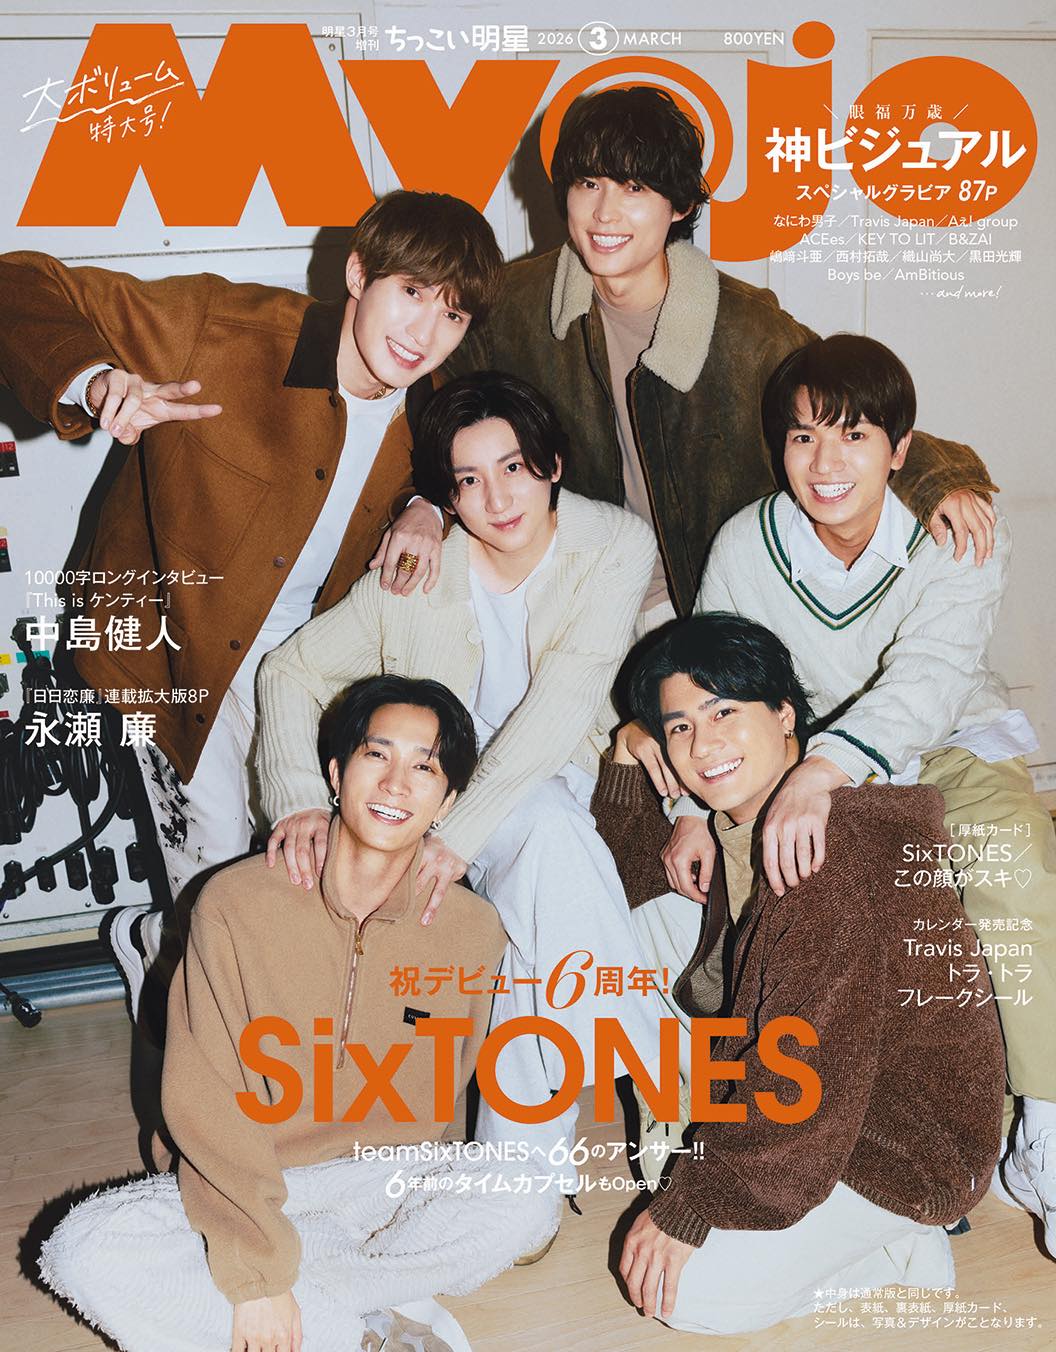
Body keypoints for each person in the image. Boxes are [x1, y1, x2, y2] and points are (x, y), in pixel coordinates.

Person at [0, 191, 504, 1019]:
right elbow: (17, 281)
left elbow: (480, 472)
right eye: (411, 292)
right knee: (217, 877)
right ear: (357, 273)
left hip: (301, 672)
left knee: (308, 865)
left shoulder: (434, 405)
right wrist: (97, 383)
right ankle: (198, 1024)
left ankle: (162, 947)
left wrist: (429, 505)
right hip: (173, 658)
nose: (424, 332)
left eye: (451, 314)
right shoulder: (221, 328)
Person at [638, 334, 1054, 1256]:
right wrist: (692, 810)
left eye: (854, 436)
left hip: (947, 734)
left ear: (901, 450)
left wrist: (824, 771)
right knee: (781, 902)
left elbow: (931, 675)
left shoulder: (960, 529)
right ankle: (804, 1131)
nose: (825, 464)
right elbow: (716, 685)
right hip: (803, 751)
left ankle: (1046, 1136)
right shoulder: (748, 543)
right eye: (803, 437)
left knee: (1014, 865)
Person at [39, 676, 557, 1352]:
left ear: (447, 801)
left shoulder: (472, 929)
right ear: (336, 775)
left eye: (424, 768)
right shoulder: (235, 902)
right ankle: (354, 1322)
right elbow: (206, 1095)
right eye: (377, 755)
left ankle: (315, 1310)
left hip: (375, 1182)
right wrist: (256, 1264)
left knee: (527, 1194)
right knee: (81, 1249)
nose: (396, 784)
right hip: (249, 1180)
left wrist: (268, 1278)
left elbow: (440, 1090)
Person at [255, 371, 664, 1184]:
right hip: (433, 802)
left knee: (540, 861)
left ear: (552, 464)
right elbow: (287, 671)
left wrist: (459, 838)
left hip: (563, 777)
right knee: (542, 853)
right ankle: (662, 1065)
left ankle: (520, 1180)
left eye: (514, 467)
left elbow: (562, 707)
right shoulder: (418, 573)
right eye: (469, 481)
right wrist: (298, 798)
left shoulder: (615, 545)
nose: (498, 498)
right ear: (448, 494)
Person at [426, 85, 999, 633]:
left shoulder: (748, 331)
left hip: (707, 608)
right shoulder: (515, 308)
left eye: (634, 188)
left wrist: (937, 479)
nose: (604, 213)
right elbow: (425, 399)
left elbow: (850, 411)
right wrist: (422, 507)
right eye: (588, 183)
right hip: (567, 600)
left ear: (679, 205)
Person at [589, 614, 1006, 1336]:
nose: (704, 744)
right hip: (823, 1106)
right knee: (629, 926)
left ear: (785, 714)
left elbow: (807, 1074)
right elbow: (616, 885)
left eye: (724, 712)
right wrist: (628, 751)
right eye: (681, 727)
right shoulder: (737, 824)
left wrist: (695, 1203)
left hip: (897, 1145)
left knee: (685, 1295)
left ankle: (904, 1250)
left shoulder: (835, 849)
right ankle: (777, 1198)